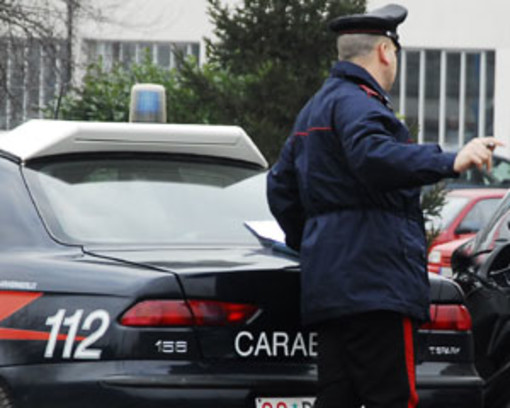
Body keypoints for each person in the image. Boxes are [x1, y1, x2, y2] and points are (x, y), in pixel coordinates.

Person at [266, 4, 502, 408]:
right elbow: (374, 156)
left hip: (332, 288)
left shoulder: (315, 108)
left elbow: (280, 187)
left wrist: (318, 242)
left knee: (336, 397)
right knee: (391, 397)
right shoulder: (361, 104)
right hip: (376, 286)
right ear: (384, 52)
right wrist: (450, 160)